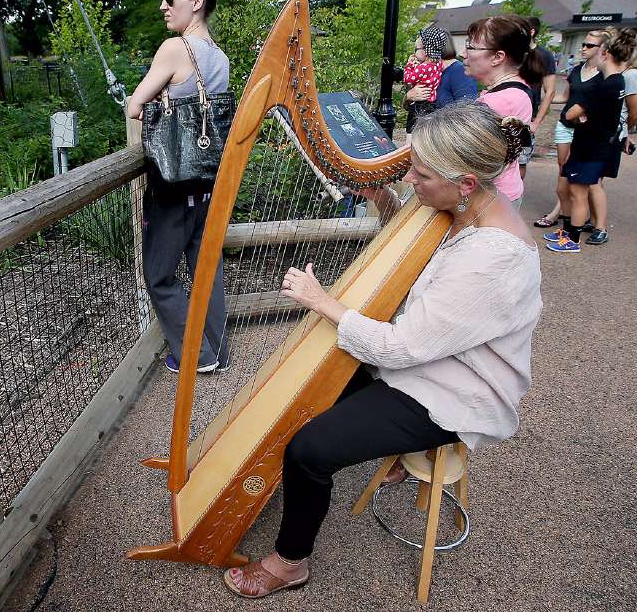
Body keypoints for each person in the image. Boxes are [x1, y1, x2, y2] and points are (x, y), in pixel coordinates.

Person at [222, 102, 541, 599]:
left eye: (420, 172)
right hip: (428, 357)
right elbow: (421, 253)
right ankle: (274, 473)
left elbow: (401, 348)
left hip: (454, 389)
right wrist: (383, 199)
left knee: (309, 449)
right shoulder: (460, 207)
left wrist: (323, 302)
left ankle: (290, 563)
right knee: (311, 387)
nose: (409, 177)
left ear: (466, 183)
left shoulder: (494, 259)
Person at [126, 0, 230, 373]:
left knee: (158, 276)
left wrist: (151, 98)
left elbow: (136, 106)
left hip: (172, 184)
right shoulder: (218, 57)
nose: (163, 6)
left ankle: (196, 356)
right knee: (206, 267)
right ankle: (218, 352)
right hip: (206, 182)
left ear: (197, 0)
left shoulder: (174, 48)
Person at [545, 33, 626, 254]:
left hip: (590, 146)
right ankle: (569, 233)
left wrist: (580, 115)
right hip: (591, 143)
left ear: (605, 53)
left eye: (592, 47)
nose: (585, 49)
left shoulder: (605, 85)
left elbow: (572, 112)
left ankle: (573, 239)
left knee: (578, 194)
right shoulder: (617, 81)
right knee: (574, 191)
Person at [460, 15, 545, 208]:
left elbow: (460, 151)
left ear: (498, 57)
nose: (463, 53)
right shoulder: (515, 89)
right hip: (503, 192)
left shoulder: (500, 101)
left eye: (470, 47)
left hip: (491, 199)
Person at [535, 29, 609, 231]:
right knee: (564, 171)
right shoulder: (576, 70)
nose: (583, 48)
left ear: (602, 48)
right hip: (565, 126)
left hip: (586, 130)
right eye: (583, 44)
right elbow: (566, 97)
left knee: (579, 176)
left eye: (589, 45)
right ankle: (567, 217)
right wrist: (543, 96)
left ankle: (576, 220)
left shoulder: (604, 75)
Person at [585, 28, 637, 246]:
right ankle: (593, 221)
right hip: (602, 132)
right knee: (594, 179)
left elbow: (636, 111)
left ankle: (600, 227)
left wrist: (623, 132)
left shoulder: (631, 76)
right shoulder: (615, 73)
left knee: (593, 180)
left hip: (610, 135)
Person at [402, 33, 477, 110]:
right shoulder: (424, 72)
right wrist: (408, 97)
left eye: (416, 49)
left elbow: (468, 113)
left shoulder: (460, 71)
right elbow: (409, 108)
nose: (413, 55)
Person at [523, 17, 558, 179]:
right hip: (505, 113)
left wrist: (536, 122)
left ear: (531, 32)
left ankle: (513, 201)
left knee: (520, 162)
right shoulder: (511, 53)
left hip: (527, 116)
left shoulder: (545, 56)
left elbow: (550, 91)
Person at [400, 24, 450, 133]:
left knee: (412, 132)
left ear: (424, 51)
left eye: (416, 49)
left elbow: (407, 78)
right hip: (431, 105)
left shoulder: (423, 68)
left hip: (420, 105)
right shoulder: (438, 64)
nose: (414, 52)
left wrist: (409, 65)